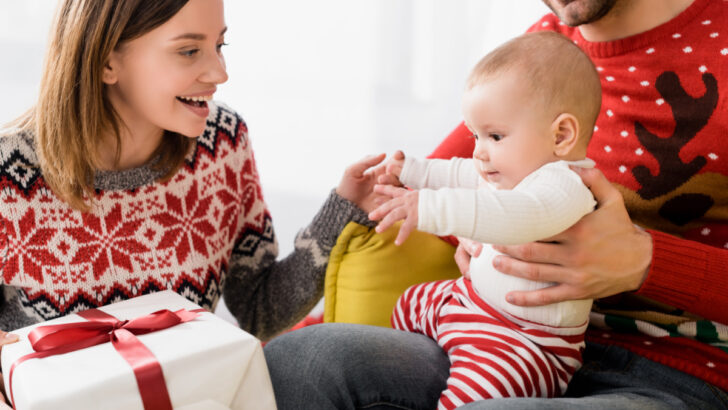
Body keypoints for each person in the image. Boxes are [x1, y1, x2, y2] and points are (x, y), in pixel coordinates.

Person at [264, 0, 728, 409]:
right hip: (500, 335)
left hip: (680, 372)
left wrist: (647, 261)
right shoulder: (543, 54)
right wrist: (469, 228)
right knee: (301, 360)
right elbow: (455, 180)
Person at [0, 0, 384, 406]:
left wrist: (343, 210)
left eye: (220, 45)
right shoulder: (9, 173)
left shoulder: (223, 143)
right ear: (106, 62)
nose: (220, 73)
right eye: (189, 50)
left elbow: (258, 310)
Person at [366, 31, 600, 409]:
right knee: (410, 302)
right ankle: (440, 356)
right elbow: (459, 173)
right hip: (470, 303)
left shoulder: (565, 187)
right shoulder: (512, 169)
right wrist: (412, 169)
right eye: (476, 135)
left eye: (494, 136)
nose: (479, 151)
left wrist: (428, 207)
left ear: (562, 135)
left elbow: (514, 217)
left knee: (470, 399)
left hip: (525, 344)